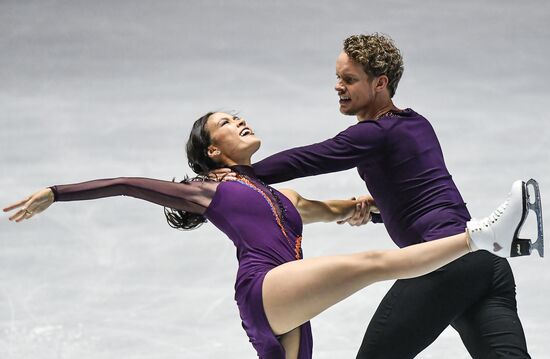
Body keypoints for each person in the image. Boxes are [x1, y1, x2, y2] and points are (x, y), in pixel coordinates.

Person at [3, 111, 540, 359]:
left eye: (239, 116)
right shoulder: (207, 190)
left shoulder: (278, 195)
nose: (240, 123)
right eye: (226, 124)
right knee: (374, 264)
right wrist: (56, 191)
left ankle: (482, 241)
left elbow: (332, 208)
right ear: (214, 151)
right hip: (266, 287)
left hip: (289, 303)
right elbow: (125, 185)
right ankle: (486, 238)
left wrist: (366, 206)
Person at [211, 33, 542, 358]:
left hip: (445, 263)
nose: (338, 86)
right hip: (487, 264)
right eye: (338, 77)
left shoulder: (374, 134)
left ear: (380, 83)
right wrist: (379, 207)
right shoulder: (415, 123)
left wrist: (243, 175)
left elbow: (311, 158)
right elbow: (423, 191)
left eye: (350, 79)